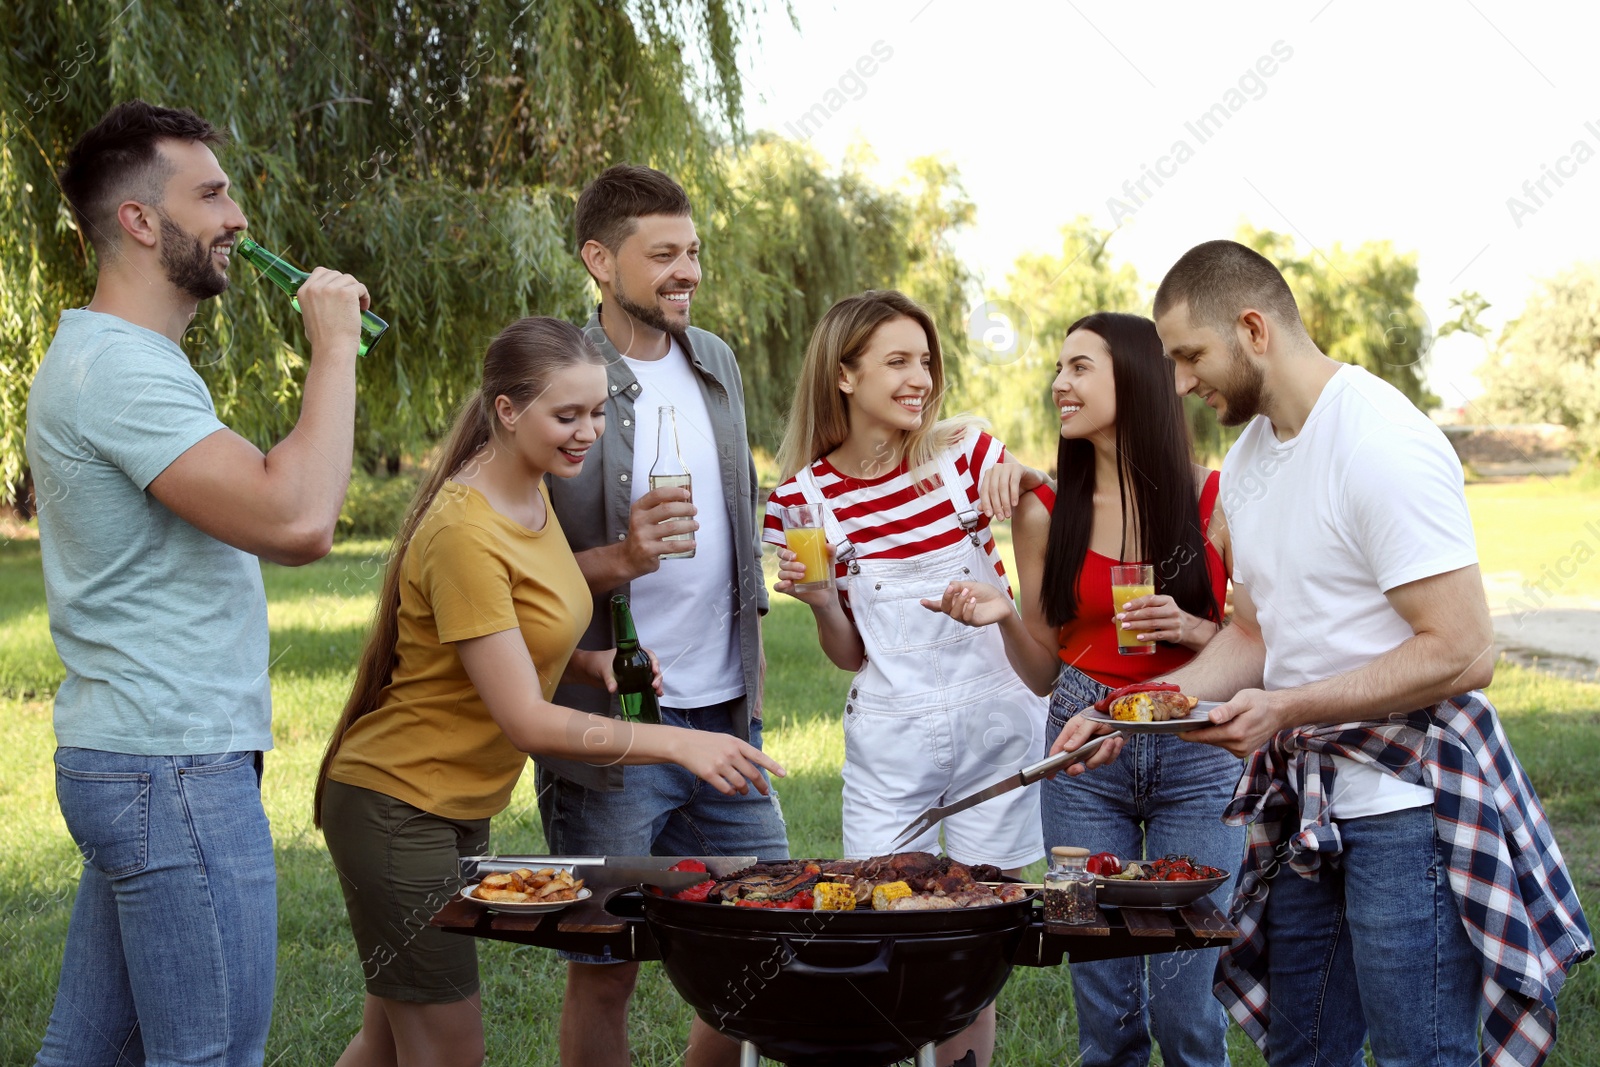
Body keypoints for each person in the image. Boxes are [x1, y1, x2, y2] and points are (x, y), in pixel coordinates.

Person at [1062, 239, 1593, 1067]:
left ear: (1253, 328)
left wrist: (1286, 708)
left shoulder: (1380, 440)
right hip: (1310, 808)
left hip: (1406, 803)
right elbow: (1253, 634)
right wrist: (1123, 713)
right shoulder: (1246, 465)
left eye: (1190, 355)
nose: (1179, 381)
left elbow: (1465, 649)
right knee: (1302, 1052)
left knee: (1421, 1054)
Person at [312, 316, 783, 1067]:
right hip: (399, 809)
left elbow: (505, 636)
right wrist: (680, 741)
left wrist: (590, 663)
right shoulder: (465, 530)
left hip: (448, 810)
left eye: (598, 412)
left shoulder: (529, 497)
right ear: (506, 410)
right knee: (446, 1053)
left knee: (383, 1045)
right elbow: (526, 722)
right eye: (567, 415)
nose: (589, 432)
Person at [24, 100, 370, 1065]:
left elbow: (270, 495)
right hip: (169, 765)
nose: (237, 218)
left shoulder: (126, 360)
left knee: (87, 1054)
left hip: (137, 757)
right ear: (139, 220)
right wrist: (333, 349)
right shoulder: (120, 370)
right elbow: (297, 520)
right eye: (211, 193)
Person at [927, 311, 1244, 1067]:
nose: (1058, 383)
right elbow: (1041, 668)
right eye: (1058, 367)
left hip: (1196, 745)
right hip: (1080, 744)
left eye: (1079, 368)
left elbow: (1265, 643)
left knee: (1185, 1003)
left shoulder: (1220, 500)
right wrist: (1005, 615)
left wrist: (1197, 632)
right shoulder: (1045, 511)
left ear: (1134, 379)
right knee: (1103, 1002)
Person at [539, 164, 788, 1067]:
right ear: (600, 260)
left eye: (694, 252)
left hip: (725, 713)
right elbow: (499, 568)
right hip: (615, 723)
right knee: (608, 961)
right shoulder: (556, 371)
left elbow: (739, 509)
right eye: (664, 255)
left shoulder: (711, 358)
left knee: (758, 938)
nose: (687, 271)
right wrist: (626, 559)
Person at [764, 289, 1047, 1067]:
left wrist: (1022, 475)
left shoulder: (971, 458)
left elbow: (1047, 505)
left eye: (925, 360)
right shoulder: (800, 501)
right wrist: (822, 601)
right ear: (845, 375)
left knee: (975, 939)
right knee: (878, 926)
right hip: (893, 733)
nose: (920, 377)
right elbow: (850, 653)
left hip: (997, 720)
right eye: (897, 361)